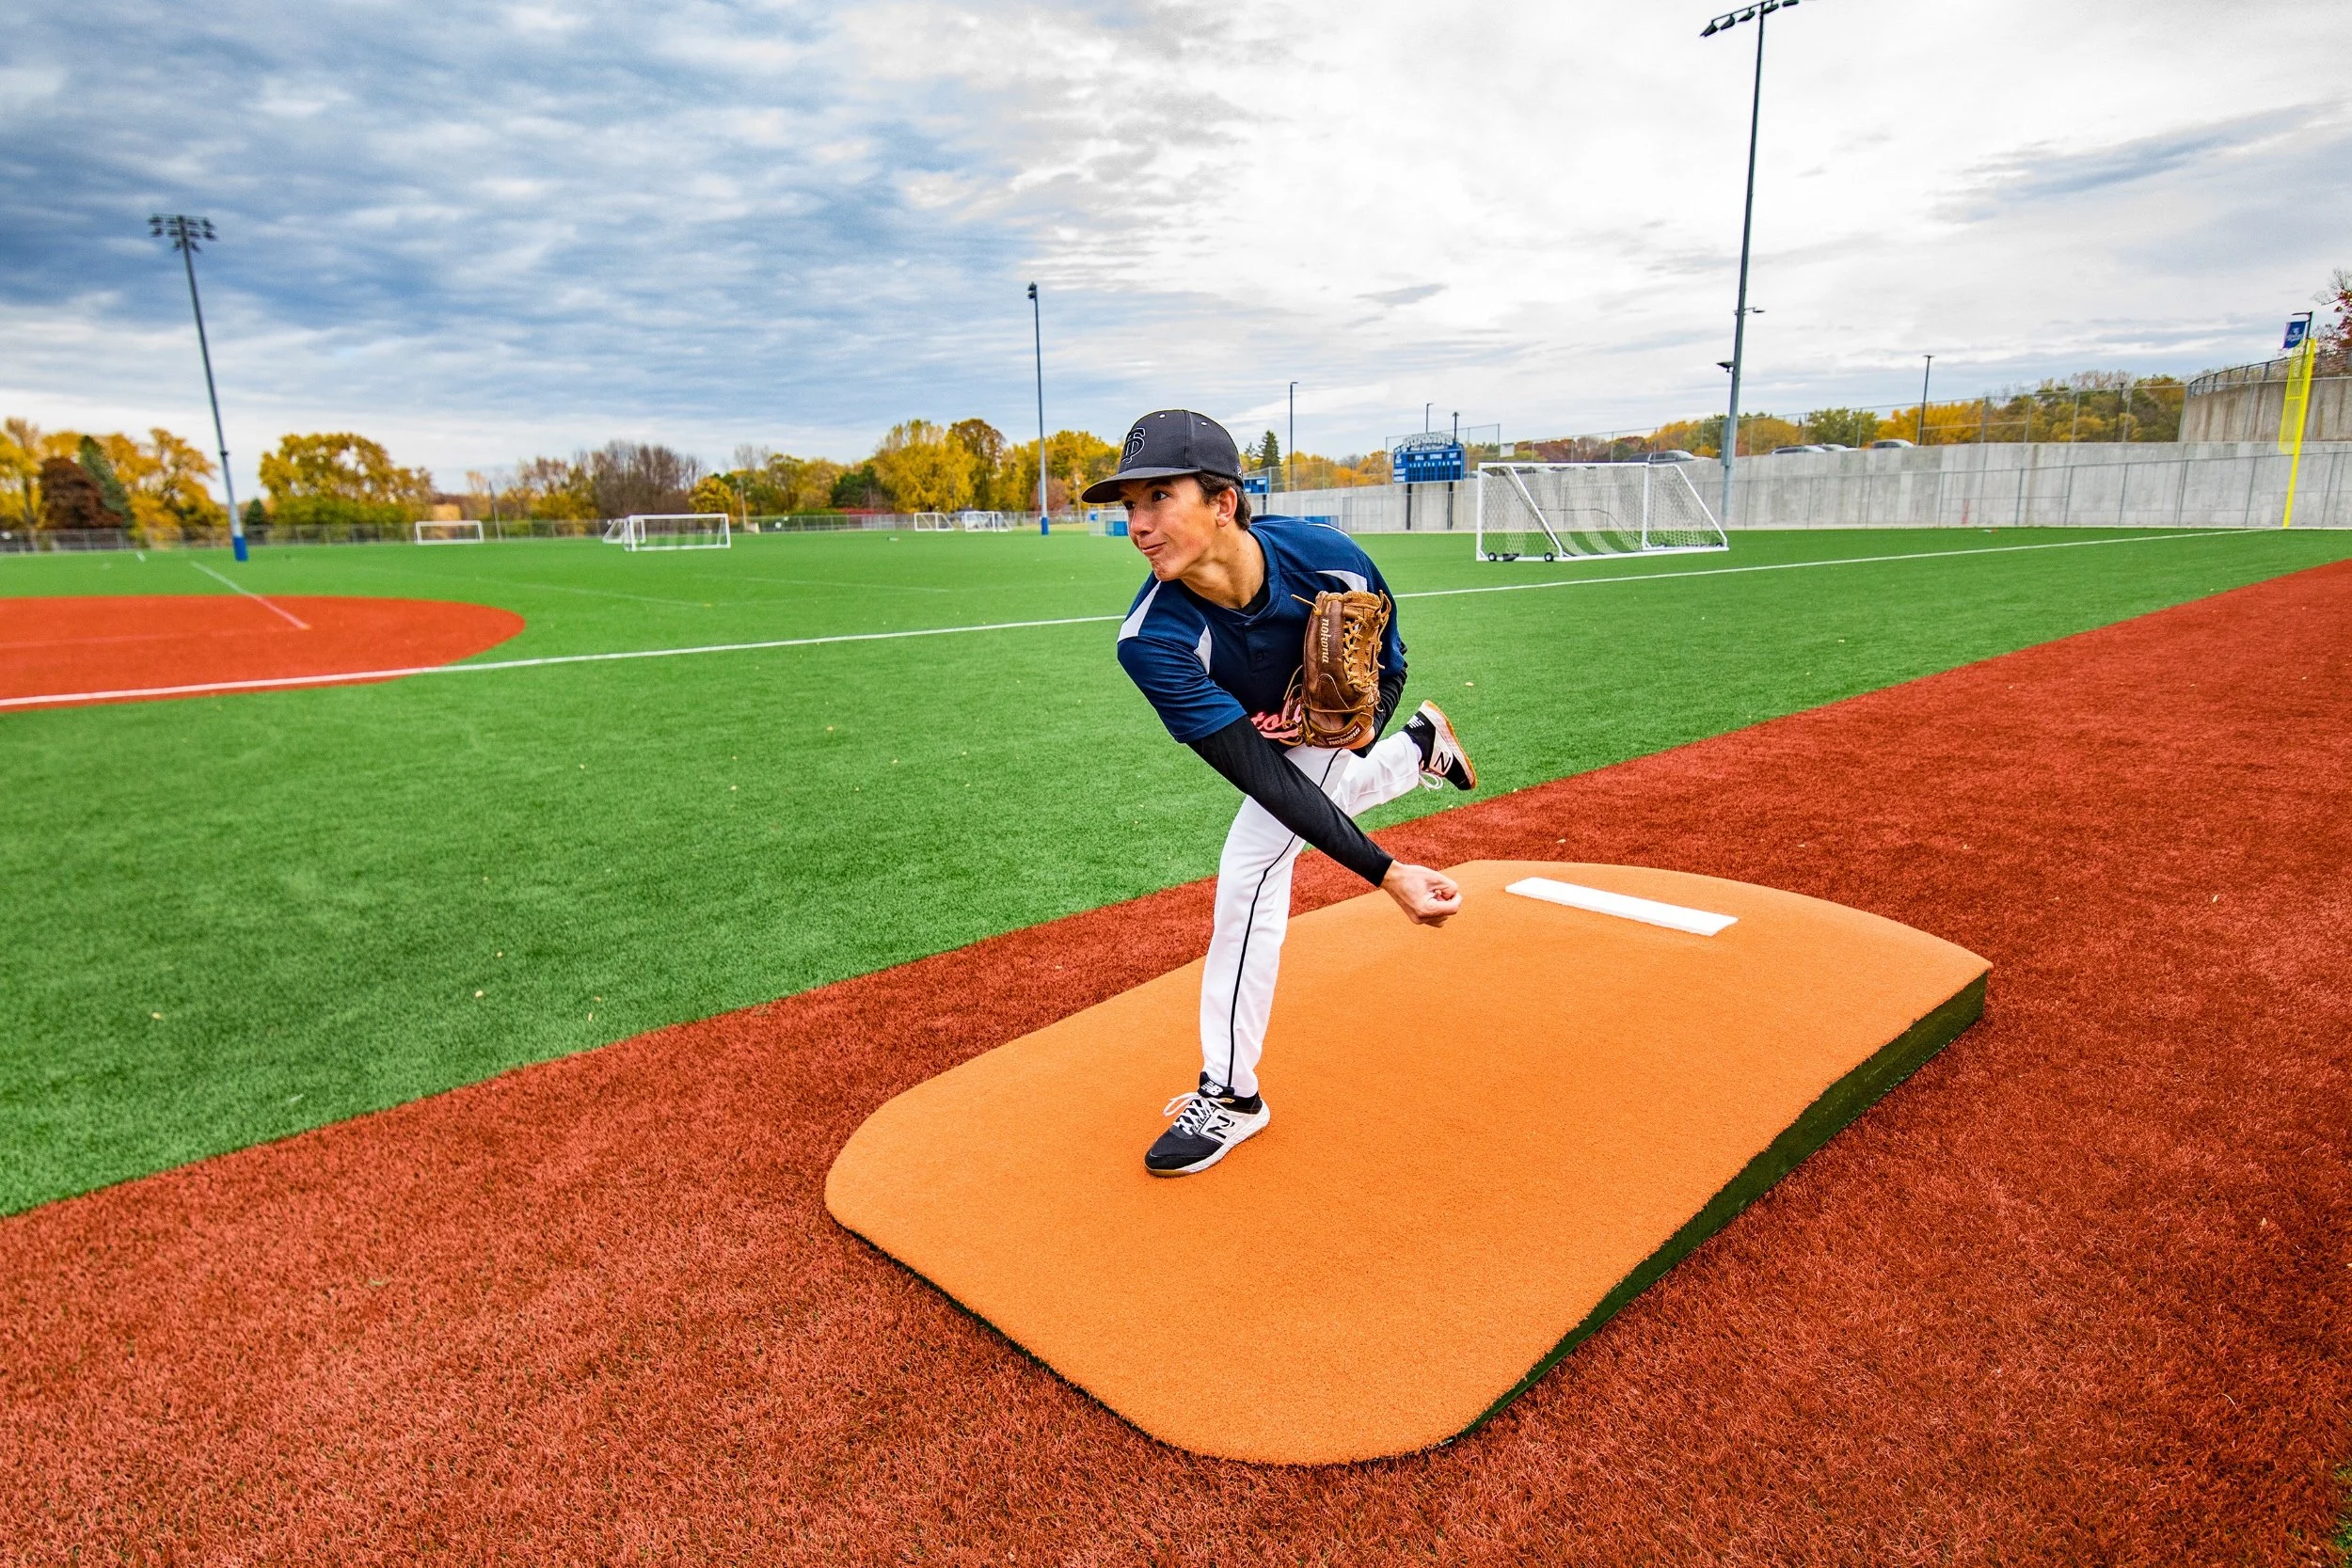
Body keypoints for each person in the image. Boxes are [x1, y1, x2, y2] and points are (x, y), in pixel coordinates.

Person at [1092, 410, 1476, 1178]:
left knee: (1250, 867)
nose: (1138, 524)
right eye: (1130, 505)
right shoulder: (1153, 640)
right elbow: (1264, 778)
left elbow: (1391, 661)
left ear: (1223, 502)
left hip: (1332, 726)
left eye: (1159, 497)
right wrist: (1386, 870)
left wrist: (1355, 728)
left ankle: (1232, 1093)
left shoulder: (1330, 561)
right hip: (1267, 749)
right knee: (1284, 819)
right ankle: (1421, 751)